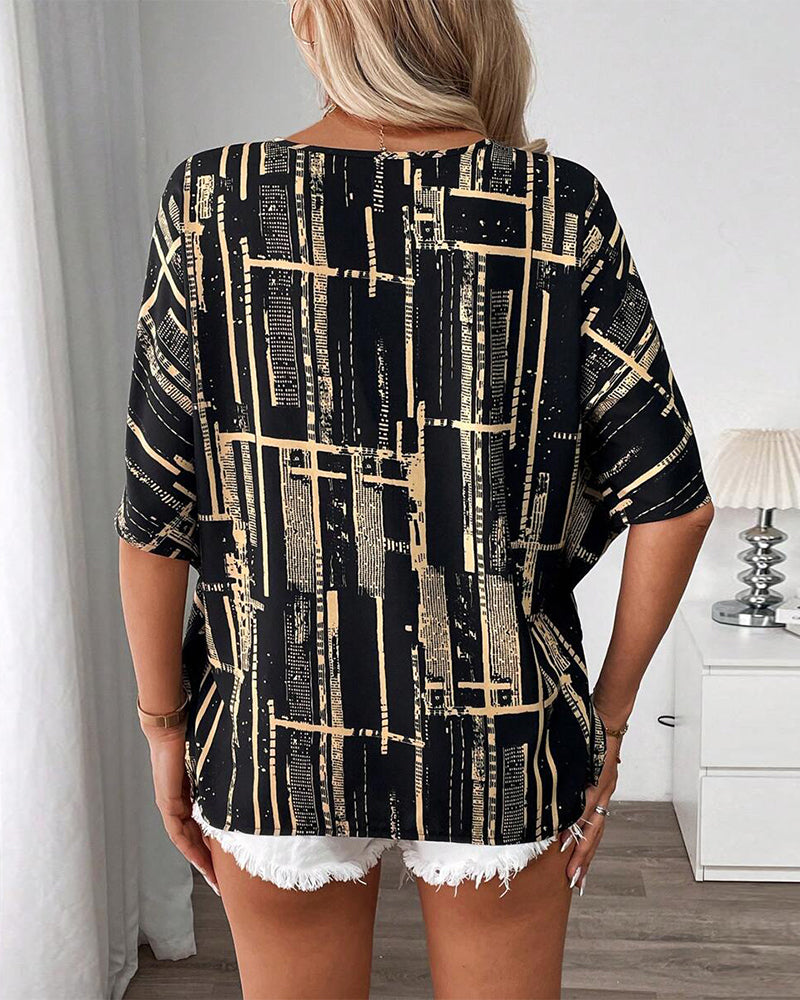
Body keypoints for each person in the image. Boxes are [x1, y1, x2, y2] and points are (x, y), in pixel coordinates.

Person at [116, 1, 715, 997]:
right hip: (499, 722)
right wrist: (607, 729)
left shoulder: (211, 200)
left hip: (275, 720)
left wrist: (163, 726)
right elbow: (675, 504)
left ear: (314, 24)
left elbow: (155, 512)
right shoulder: (556, 207)